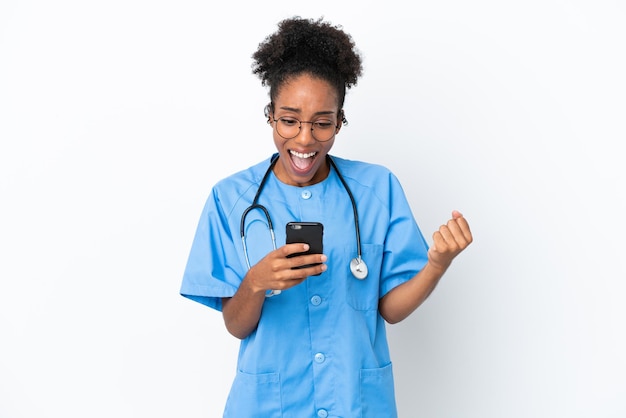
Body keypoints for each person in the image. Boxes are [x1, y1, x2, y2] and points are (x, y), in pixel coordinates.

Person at [180, 16, 473, 417]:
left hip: (355, 403)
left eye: (322, 123)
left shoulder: (377, 190)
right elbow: (237, 325)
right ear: (270, 116)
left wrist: (436, 266)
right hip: (269, 406)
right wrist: (256, 282)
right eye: (289, 120)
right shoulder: (231, 198)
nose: (304, 139)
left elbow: (391, 309)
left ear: (340, 120)